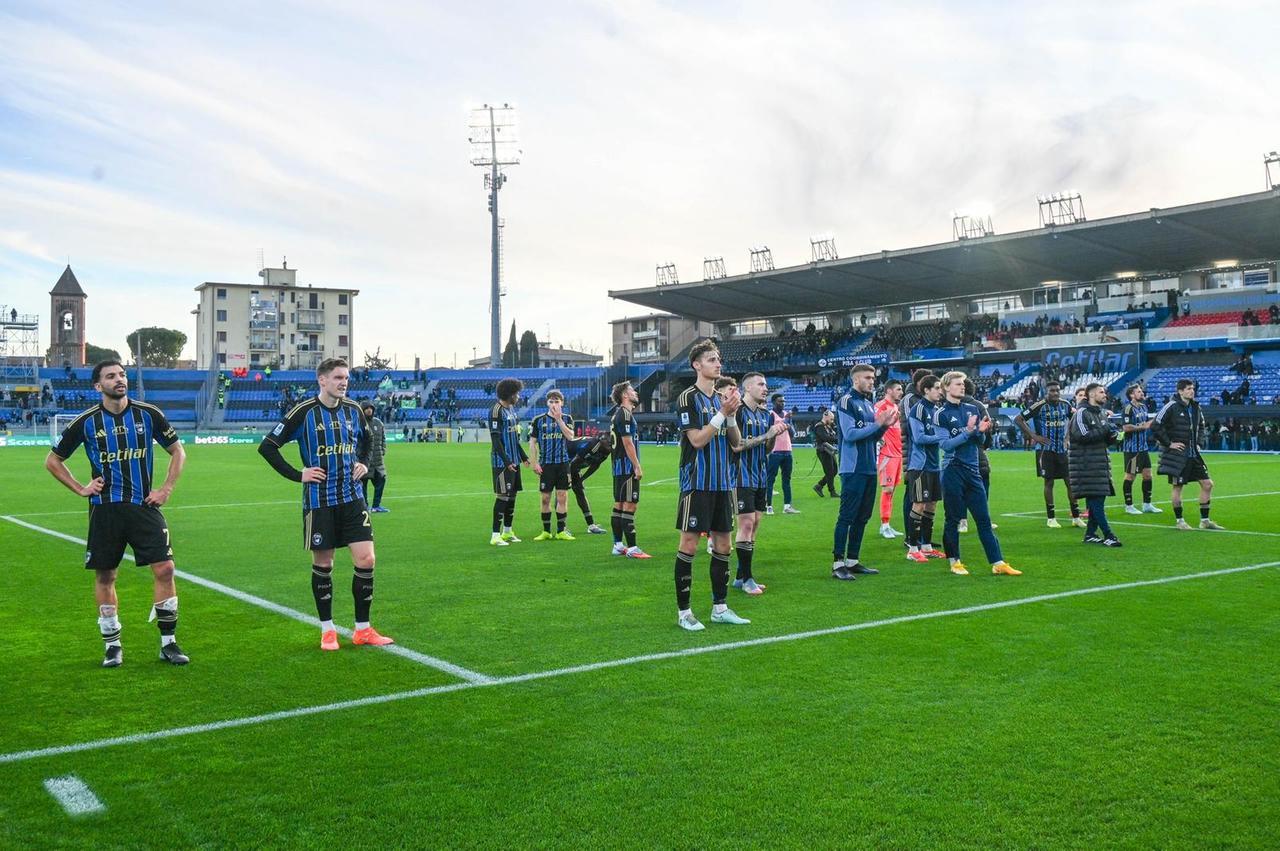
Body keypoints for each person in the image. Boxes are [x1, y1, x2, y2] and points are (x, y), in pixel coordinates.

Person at [44, 359, 190, 667]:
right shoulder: (85, 422)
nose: (119, 379)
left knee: (165, 569)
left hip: (143, 506)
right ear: (99, 386)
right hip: (105, 510)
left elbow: (178, 450)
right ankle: (112, 645)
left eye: (122, 374)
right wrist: (80, 488)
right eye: (111, 376)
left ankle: (169, 643)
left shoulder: (149, 415)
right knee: (106, 575)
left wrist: (165, 489)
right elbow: (53, 461)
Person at [258, 357, 393, 651]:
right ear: (322, 380)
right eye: (337, 378)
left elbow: (369, 441)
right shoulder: (303, 413)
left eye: (346, 378)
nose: (343, 382)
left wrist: (362, 462)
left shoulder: (355, 410)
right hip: (320, 501)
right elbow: (267, 447)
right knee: (324, 563)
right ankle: (327, 629)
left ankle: (363, 628)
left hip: (353, 497)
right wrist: (299, 475)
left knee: (367, 560)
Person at [672, 340, 751, 631]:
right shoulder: (688, 398)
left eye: (718, 360)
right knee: (689, 544)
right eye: (711, 360)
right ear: (697, 365)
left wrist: (730, 414)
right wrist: (721, 414)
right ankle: (684, 613)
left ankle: (720, 607)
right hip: (697, 482)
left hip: (722, 483)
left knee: (723, 544)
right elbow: (696, 440)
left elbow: (737, 442)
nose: (718, 364)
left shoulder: (720, 398)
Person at [935, 371, 1020, 577]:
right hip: (953, 470)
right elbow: (945, 444)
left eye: (963, 384)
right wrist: (969, 431)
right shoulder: (941, 414)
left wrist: (980, 432)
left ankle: (997, 562)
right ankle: (955, 561)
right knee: (953, 519)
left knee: (983, 518)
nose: (962, 387)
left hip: (973, 471)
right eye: (957, 384)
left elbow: (980, 444)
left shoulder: (972, 408)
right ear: (946, 387)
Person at [831, 363, 897, 581]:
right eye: (867, 377)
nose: (872, 381)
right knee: (847, 516)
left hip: (869, 467)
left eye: (873, 378)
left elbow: (871, 437)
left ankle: (852, 560)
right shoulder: (846, 401)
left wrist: (884, 426)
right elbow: (850, 434)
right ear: (855, 379)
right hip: (852, 468)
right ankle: (837, 564)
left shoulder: (868, 404)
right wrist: (877, 423)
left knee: (863, 516)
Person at [732, 372, 787, 595]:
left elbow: (767, 449)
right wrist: (767, 435)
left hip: (760, 476)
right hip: (740, 476)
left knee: (754, 525)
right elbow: (736, 445)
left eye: (766, 384)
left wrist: (773, 434)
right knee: (745, 525)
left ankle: (740, 576)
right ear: (747, 388)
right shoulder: (737, 412)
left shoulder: (766, 414)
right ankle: (747, 579)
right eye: (760, 384)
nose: (766, 388)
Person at [1152, 379, 1225, 531]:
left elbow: (1201, 426)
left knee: (1207, 484)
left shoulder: (1195, 407)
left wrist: (1199, 442)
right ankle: (1180, 521)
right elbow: (1155, 425)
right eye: (1189, 389)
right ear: (1180, 391)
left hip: (1194, 455)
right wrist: (1168, 443)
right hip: (1178, 456)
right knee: (1177, 487)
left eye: (1193, 388)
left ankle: (1205, 521)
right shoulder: (1171, 406)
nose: (1192, 391)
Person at [1016, 381, 1084, 529]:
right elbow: (1018, 419)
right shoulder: (1038, 406)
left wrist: (1067, 437)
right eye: (1052, 391)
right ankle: (1051, 518)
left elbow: (1075, 417)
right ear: (1045, 392)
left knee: (1070, 482)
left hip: (1062, 450)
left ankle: (1076, 517)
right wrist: (1034, 436)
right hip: (1045, 451)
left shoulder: (1065, 404)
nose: (1055, 393)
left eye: (1057, 391)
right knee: (1049, 482)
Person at [1069, 382, 1123, 546]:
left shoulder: (1100, 413)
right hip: (1085, 465)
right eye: (1101, 392)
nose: (1104, 395)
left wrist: (1115, 437)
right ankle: (1109, 535)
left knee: (1097, 499)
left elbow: (1104, 439)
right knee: (1096, 500)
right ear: (1091, 395)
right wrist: (1105, 428)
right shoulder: (1081, 413)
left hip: (1099, 463)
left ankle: (1090, 534)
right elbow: (1082, 436)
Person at [903, 375, 946, 563]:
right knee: (919, 504)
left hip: (934, 464)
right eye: (936, 388)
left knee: (932, 504)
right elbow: (919, 438)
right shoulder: (918, 409)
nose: (940, 391)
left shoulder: (935, 409)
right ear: (926, 390)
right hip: (919, 465)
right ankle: (913, 548)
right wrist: (941, 436)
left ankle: (927, 546)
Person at [528, 390, 577, 541]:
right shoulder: (538, 420)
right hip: (546, 465)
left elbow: (570, 436)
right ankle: (546, 531)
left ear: (562, 403)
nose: (554, 404)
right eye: (551, 401)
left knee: (562, 497)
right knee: (545, 498)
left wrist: (559, 420)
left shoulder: (567, 418)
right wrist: (534, 462)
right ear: (547, 403)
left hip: (562, 464)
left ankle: (561, 531)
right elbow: (532, 442)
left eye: (557, 401)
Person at [487, 377, 529, 546]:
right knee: (502, 496)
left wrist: (523, 457)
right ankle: (495, 535)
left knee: (512, 496)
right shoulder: (496, 411)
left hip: (514, 461)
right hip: (502, 462)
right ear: (509, 394)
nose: (518, 397)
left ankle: (507, 531)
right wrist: (506, 462)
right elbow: (496, 440)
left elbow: (514, 438)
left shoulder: (511, 410)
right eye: (516, 394)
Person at [609, 381, 649, 557]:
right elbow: (627, 442)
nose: (635, 392)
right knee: (630, 505)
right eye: (631, 390)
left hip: (618, 467)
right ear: (625, 395)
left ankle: (618, 545)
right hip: (626, 467)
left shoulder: (618, 414)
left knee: (619, 506)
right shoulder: (624, 414)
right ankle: (632, 548)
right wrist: (637, 466)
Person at [1120, 384, 1160, 515]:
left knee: (1148, 475)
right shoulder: (1127, 409)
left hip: (1143, 448)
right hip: (1132, 449)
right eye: (1138, 391)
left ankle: (1147, 504)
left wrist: (1151, 423)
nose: (1141, 393)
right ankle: (1129, 505)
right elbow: (1126, 428)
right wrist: (1141, 427)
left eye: (1141, 391)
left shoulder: (1144, 407)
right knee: (1130, 476)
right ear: (1132, 395)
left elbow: (1148, 423)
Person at [875, 380, 905, 538]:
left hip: (897, 453)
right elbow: (872, 426)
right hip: (886, 454)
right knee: (887, 489)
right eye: (898, 389)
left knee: (891, 490)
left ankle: (887, 524)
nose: (901, 392)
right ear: (889, 390)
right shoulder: (880, 406)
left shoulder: (895, 407)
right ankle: (884, 525)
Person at [567, 432, 610, 535]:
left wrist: (581, 480)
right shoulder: (591, 445)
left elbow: (595, 465)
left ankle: (591, 525)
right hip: (565, 462)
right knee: (562, 492)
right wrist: (569, 477)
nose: (610, 447)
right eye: (608, 443)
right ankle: (562, 528)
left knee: (580, 492)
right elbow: (572, 463)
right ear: (602, 441)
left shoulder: (607, 449)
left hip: (575, 465)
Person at [764, 393, 798, 515]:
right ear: (773, 402)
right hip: (775, 451)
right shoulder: (771, 415)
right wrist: (784, 421)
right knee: (770, 480)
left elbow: (793, 434)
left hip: (787, 451)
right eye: (780, 401)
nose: (782, 403)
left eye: (783, 401)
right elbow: (769, 432)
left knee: (786, 480)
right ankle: (768, 506)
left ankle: (787, 506)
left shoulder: (787, 415)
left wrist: (788, 423)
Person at [360, 402, 389, 513]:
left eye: (370, 408)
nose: (369, 410)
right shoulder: (358, 423)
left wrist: (383, 450)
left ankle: (376, 506)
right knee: (363, 485)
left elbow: (383, 439)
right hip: (363, 461)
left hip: (378, 462)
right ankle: (364, 506)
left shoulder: (378, 423)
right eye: (366, 408)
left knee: (381, 482)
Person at [811, 408, 839, 497]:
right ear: (825, 417)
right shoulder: (819, 426)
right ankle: (832, 491)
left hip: (829, 450)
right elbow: (825, 438)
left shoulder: (828, 426)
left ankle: (819, 486)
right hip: (823, 451)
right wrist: (837, 439)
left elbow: (832, 435)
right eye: (831, 419)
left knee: (834, 470)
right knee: (830, 471)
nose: (832, 421)